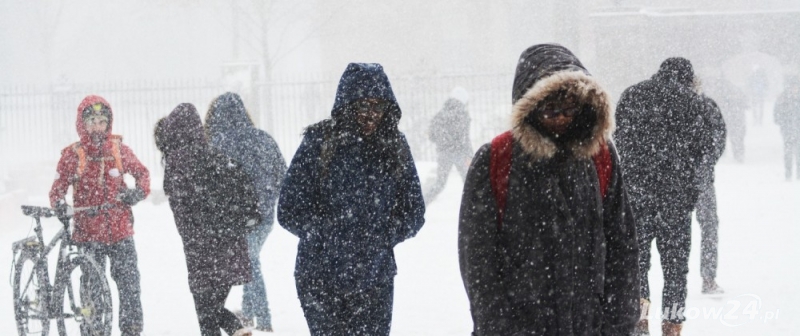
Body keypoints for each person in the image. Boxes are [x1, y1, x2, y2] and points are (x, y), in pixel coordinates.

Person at [458, 44, 640, 336]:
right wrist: (497, 326)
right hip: (520, 325)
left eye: (570, 108)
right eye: (550, 109)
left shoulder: (601, 155)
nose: (561, 118)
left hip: (589, 324)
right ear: (529, 108)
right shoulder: (496, 158)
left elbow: (622, 243)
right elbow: (478, 259)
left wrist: (618, 321)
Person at [278, 63, 425, 336]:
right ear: (347, 105)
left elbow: (414, 210)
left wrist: (382, 236)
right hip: (320, 278)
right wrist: (326, 236)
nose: (371, 115)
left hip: (375, 280)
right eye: (363, 106)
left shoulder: (395, 146)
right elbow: (288, 208)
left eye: (378, 106)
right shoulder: (318, 142)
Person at [615, 57, 713, 336]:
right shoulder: (694, 103)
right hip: (676, 200)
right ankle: (672, 326)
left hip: (636, 197)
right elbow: (706, 148)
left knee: (637, 267)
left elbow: (620, 140)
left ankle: (640, 321)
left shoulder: (633, 94)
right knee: (675, 271)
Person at [49, 95, 150, 336]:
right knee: (92, 289)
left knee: (129, 285)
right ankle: (93, 331)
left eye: (102, 121)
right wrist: (60, 205)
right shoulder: (72, 156)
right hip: (88, 233)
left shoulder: (118, 150)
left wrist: (137, 193)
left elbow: (142, 174)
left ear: (109, 123)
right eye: (92, 121)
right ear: (82, 124)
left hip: (120, 230)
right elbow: (57, 191)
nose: (97, 127)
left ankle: (131, 330)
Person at [155, 104, 259, 336]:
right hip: (229, 245)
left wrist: (194, 236)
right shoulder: (216, 156)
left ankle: (235, 327)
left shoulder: (177, 163)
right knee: (211, 308)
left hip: (201, 248)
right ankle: (236, 328)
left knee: (206, 312)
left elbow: (181, 210)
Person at [205, 92, 287, 332]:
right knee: (252, 259)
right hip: (264, 217)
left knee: (250, 263)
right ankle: (250, 312)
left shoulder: (217, 144)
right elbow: (283, 175)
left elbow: (210, 185)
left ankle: (263, 319)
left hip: (236, 218)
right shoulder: (263, 139)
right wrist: (266, 196)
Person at [694, 80, 727, 295]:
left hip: (675, 179)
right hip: (700, 176)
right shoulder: (705, 105)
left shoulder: (662, 104)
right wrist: (706, 162)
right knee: (709, 225)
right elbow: (719, 136)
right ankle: (708, 278)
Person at [423, 87, 473, 205]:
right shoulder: (463, 115)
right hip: (460, 152)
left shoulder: (440, 114)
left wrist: (443, 143)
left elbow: (432, 135)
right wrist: (470, 155)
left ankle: (422, 203)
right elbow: (465, 137)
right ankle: (474, 206)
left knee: (440, 183)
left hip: (444, 153)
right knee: (468, 182)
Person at [705, 76, 746, 162]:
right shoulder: (736, 93)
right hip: (735, 118)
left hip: (728, 118)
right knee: (736, 136)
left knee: (728, 135)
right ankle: (738, 153)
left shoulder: (719, 94)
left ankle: (730, 152)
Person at [775, 76, 800, 180]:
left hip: (796, 129)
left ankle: (798, 173)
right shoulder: (783, 98)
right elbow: (777, 114)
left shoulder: (784, 98)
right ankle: (788, 172)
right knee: (788, 153)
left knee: (798, 152)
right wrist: (783, 123)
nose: (795, 89)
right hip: (788, 130)